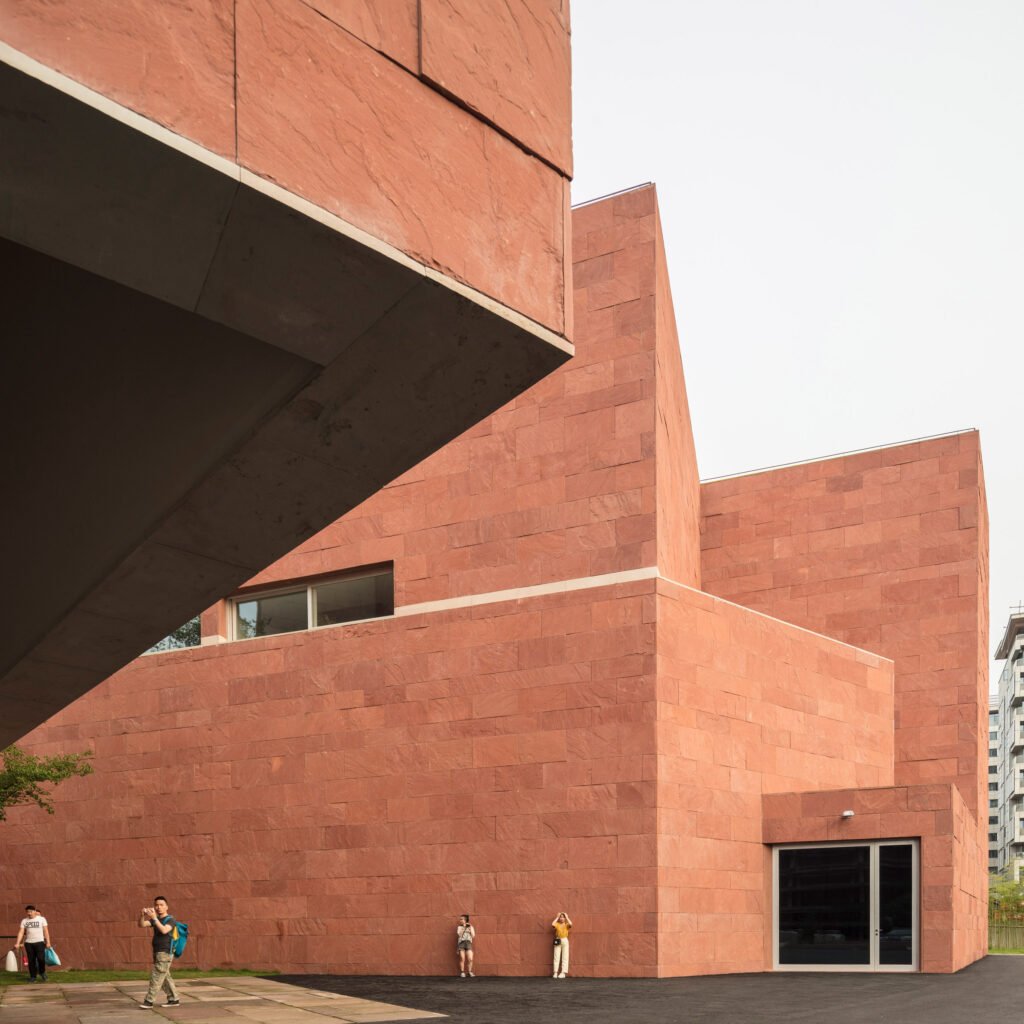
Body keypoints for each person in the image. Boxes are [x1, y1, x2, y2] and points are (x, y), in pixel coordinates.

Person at [138, 897, 180, 1009]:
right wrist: (142, 915)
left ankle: (149, 1001)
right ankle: (174, 999)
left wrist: (154, 918)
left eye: (161, 905)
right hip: (157, 952)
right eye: (156, 905)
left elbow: (164, 930)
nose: (158, 907)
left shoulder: (171, 920)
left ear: (167, 907)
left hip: (165, 952)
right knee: (165, 977)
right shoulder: (155, 919)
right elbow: (141, 925)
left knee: (156, 977)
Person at [14, 905, 51, 983]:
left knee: (41, 959)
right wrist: (17, 943)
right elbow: (21, 932)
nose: (29, 913)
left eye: (31, 911)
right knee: (31, 961)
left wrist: (48, 942)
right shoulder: (24, 921)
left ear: (35, 911)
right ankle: (33, 976)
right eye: (27, 912)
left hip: (40, 942)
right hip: (29, 943)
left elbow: (46, 931)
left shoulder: (42, 919)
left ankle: (42, 972)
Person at [551, 911, 572, 978]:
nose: (562, 918)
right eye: (561, 917)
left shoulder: (566, 924)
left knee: (565, 957)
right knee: (556, 956)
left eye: (563, 917)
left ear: (564, 918)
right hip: (558, 940)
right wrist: (557, 917)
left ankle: (563, 973)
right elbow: (552, 924)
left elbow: (571, 924)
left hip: (565, 940)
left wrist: (567, 917)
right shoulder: (557, 924)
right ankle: (555, 972)